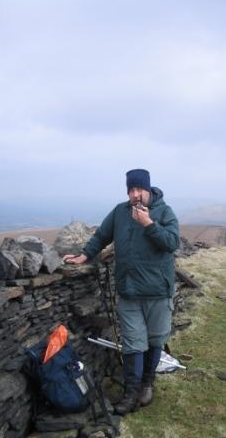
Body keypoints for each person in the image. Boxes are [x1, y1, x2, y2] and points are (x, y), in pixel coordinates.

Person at [63, 169, 180, 415]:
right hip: (129, 291)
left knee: (156, 339)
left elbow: (171, 243)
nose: (136, 195)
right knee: (132, 344)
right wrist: (85, 255)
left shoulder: (164, 212)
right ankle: (130, 393)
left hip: (158, 292)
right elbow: (102, 236)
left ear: (149, 190)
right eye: (131, 190)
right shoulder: (119, 212)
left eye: (140, 190)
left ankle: (147, 384)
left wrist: (148, 224)